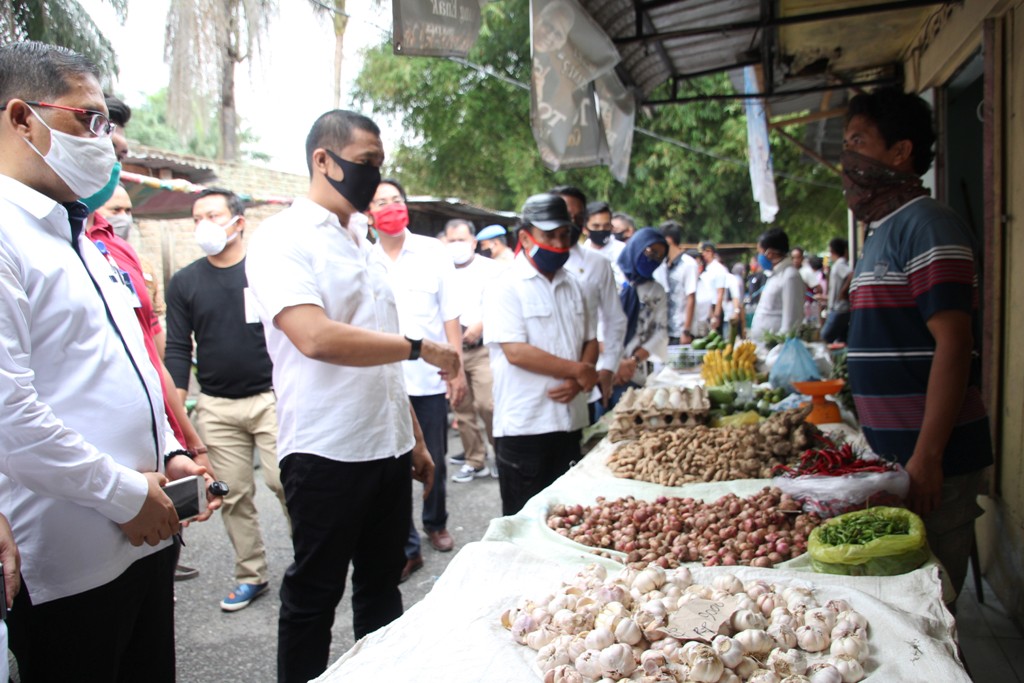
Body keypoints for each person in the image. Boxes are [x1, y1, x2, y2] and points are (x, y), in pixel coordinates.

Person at [0, 41, 217, 681]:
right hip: (74, 560)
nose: (105, 139)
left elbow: (120, 369)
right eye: (87, 120)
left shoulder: (79, 236)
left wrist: (168, 455)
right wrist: (124, 493)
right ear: (20, 118)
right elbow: (10, 417)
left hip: (143, 531)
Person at [245, 109, 459, 683]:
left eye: (379, 165)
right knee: (314, 595)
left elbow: (381, 365)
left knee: (381, 588)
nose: (374, 176)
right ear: (323, 160)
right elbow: (314, 336)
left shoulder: (362, 242)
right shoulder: (282, 241)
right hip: (325, 450)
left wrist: (412, 437)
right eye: (366, 163)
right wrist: (419, 347)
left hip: (385, 448)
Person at [842, 87, 992, 605]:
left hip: (935, 458)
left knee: (932, 607)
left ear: (900, 152)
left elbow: (955, 344)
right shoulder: (882, 230)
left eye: (858, 141)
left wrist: (927, 456)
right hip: (898, 454)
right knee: (906, 600)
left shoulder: (929, 225)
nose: (847, 158)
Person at [165, 187, 289, 611]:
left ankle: (310, 563)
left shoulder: (265, 272)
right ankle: (251, 574)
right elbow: (178, 348)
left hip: (271, 398)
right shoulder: (185, 282)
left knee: (285, 480)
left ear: (239, 222)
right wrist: (176, 413)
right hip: (217, 406)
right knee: (233, 494)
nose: (205, 225)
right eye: (197, 217)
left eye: (214, 215)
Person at [370, 178, 465, 575]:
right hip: (382, 382)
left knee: (435, 457)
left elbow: (450, 313)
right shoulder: (362, 257)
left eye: (396, 200)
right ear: (368, 212)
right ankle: (407, 543)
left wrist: (456, 369)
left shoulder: (432, 251)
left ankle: (436, 522)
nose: (391, 207)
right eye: (381, 202)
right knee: (392, 464)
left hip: (427, 379)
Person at [483, 194, 598, 515]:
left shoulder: (575, 285)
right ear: (525, 237)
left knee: (570, 518)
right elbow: (516, 351)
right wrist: (579, 370)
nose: (559, 244)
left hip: (570, 421)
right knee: (525, 523)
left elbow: (591, 339)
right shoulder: (504, 286)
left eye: (564, 235)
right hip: (526, 426)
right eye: (548, 236)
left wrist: (581, 375)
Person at [551, 186, 628, 417]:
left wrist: (608, 368)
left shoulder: (597, 264)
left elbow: (615, 319)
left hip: (587, 381)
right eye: (566, 215)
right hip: (541, 386)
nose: (571, 222)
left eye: (578, 217)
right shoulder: (529, 267)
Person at [444, 219, 500, 483]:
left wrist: (482, 325)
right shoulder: (439, 270)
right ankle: (475, 461)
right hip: (452, 351)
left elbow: (503, 305)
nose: (457, 246)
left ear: (474, 242)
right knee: (461, 406)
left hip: (482, 349)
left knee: (487, 404)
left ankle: (500, 454)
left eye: (462, 240)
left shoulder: (491, 270)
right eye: (452, 240)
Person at [608, 228, 669, 405]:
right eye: (650, 251)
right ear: (637, 246)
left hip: (633, 373)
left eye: (659, 256)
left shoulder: (656, 291)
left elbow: (660, 333)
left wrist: (631, 362)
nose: (652, 259)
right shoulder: (610, 277)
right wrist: (613, 363)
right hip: (602, 369)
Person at [748, 228, 805, 341]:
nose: (759, 257)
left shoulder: (790, 276)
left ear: (769, 253)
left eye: (760, 252)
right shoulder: (775, 275)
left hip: (776, 350)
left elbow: (791, 321)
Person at [659, 220, 698, 345]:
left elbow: (691, 297)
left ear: (668, 240)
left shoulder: (688, 264)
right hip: (664, 331)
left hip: (680, 331)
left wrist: (686, 331)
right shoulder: (663, 264)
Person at [582, 200, 625, 284]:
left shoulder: (623, 250)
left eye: (606, 226)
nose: (601, 230)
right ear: (585, 229)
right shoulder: (581, 254)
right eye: (596, 226)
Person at [820, 237, 852, 343]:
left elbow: (851, 274)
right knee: (843, 340)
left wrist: (843, 291)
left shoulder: (839, 265)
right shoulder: (837, 265)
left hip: (839, 308)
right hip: (840, 308)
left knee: (824, 338)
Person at [698, 241, 729, 334]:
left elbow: (720, 293)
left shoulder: (718, 269)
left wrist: (716, 315)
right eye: (703, 252)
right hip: (705, 308)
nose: (704, 254)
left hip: (714, 307)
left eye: (707, 251)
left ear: (712, 252)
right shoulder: (705, 269)